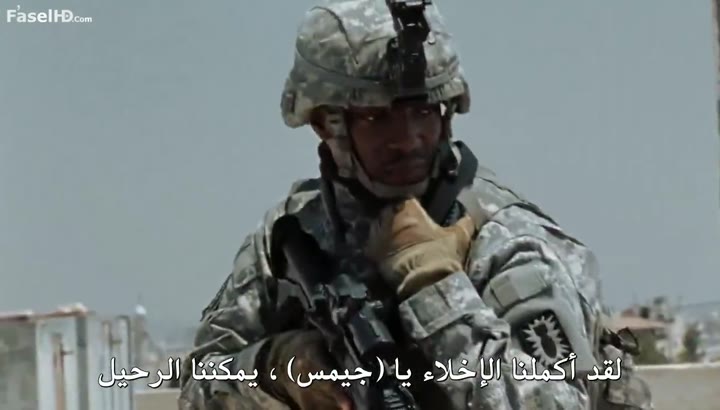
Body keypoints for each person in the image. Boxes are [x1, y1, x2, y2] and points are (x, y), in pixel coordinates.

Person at [178, 0, 653, 409]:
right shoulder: (293, 234)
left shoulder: (505, 243)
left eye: (423, 112)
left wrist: (436, 290)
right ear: (324, 123)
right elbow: (198, 384)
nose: (407, 139)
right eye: (376, 118)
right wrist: (274, 368)